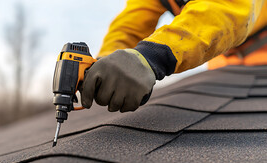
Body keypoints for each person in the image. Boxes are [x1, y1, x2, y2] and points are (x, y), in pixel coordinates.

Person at [81, 0, 267, 113]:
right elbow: (129, 27)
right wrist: (105, 63)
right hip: (226, 69)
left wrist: (150, 57)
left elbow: (224, 11)